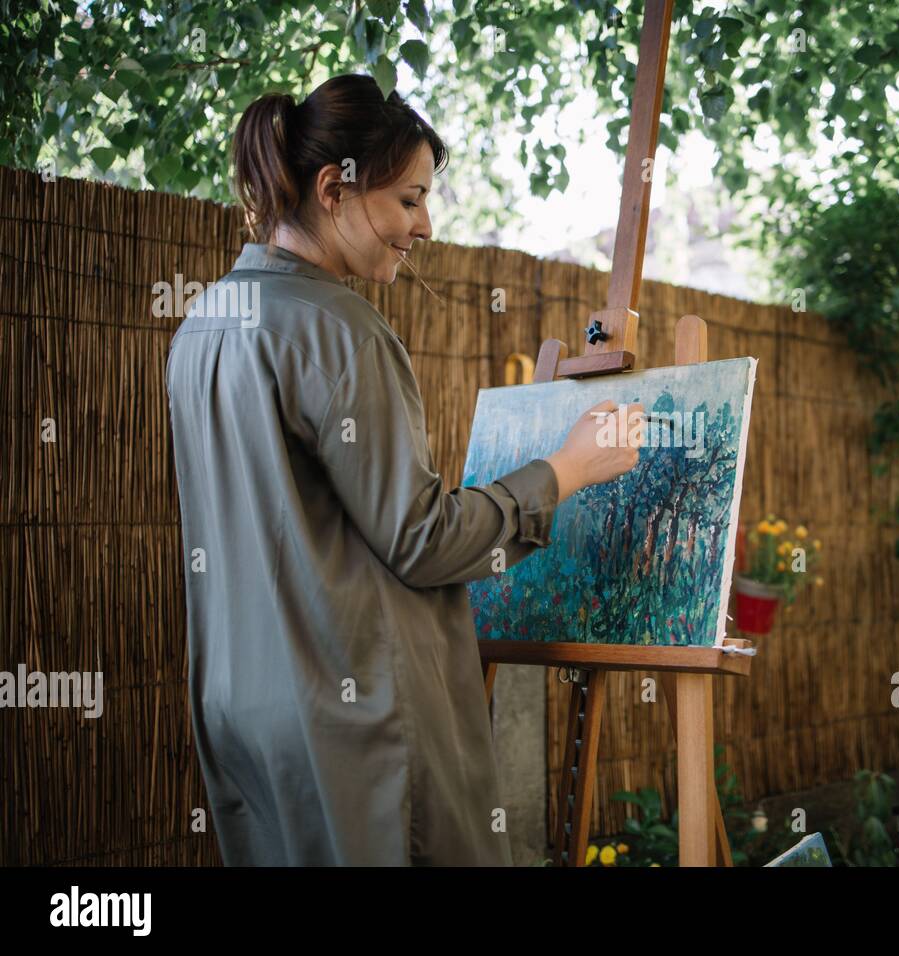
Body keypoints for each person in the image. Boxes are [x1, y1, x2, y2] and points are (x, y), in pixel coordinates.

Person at [165, 73, 642, 865]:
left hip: (242, 711)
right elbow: (421, 542)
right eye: (410, 199)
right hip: (357, 719)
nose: (426, 226)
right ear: (334, 189)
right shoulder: (339, 330)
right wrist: (567, 467)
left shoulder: (204, 325)